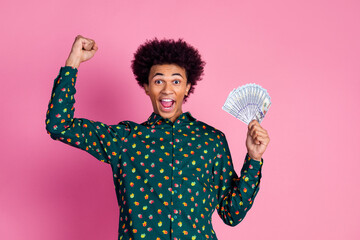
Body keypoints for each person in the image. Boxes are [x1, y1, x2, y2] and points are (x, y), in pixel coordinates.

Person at [45, 35, 270, 240]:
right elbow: (59, 126)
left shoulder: (211, 141)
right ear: (146, 86)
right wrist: (73, 61)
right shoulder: (125, 139)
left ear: (187, 87)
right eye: (159, 81)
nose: (167, 90)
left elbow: (233, 214)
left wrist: (254, 159)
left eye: (176, 81)